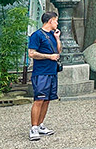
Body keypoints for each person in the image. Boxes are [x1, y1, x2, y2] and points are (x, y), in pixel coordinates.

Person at [27, 12, 61, 141]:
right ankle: (33, 127)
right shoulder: (37, 35)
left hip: (52, 71)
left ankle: (40, 125)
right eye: (56, 21)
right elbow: (32, 53)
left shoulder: (53, 34)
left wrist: (57, 38)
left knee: (47, 100)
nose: (57, 23)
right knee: (39, 99)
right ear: (50, 21)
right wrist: (48, 57)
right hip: (41, 72)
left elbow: (59, 51)